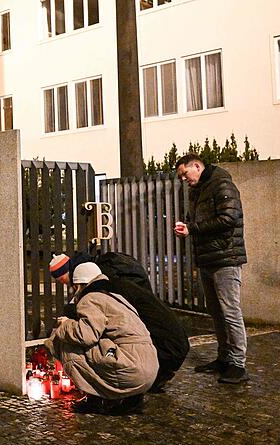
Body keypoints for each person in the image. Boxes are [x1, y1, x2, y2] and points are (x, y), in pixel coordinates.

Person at [50, 252, 189, 392]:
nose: (66, 285)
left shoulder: (99, 293)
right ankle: (148, 382)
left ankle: (103, 391)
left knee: (79, 344)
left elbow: (86, 334)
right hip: (171, 345)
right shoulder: (115, 280)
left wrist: (65, 324)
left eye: (62, 280)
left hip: (160, 351)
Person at [45, 262, 158, 415]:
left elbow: (85, 335)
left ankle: (94, 398)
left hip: (130, 370)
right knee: (102, 342)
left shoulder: (91, 298)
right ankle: (131, 399)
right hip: (150, 369)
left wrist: (65, 324)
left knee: (66, 342)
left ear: (79, 285)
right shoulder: (116, 297)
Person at [174, 154, 248, 384]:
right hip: (208, 257)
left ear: (197, 166)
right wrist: (187, 225)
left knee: (230, 311)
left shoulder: (221, 184)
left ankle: (238, 363)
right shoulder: (198, 190)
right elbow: (198, 218)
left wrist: (192, 229)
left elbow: (229, 218)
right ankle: (224, 358)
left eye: (185, 174)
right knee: (216, 312)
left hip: (225, 257)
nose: (184, 179)